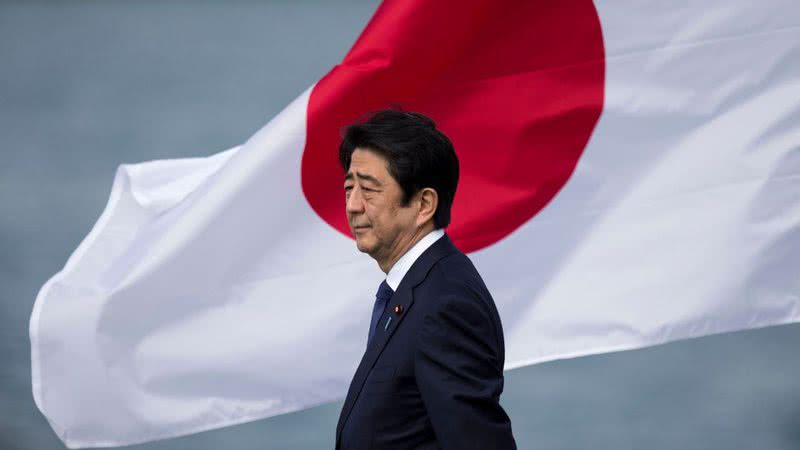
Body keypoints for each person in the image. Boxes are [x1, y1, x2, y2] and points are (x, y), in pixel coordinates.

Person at [335, 109, 516, 449]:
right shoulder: (414, 290)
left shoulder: (447, 304)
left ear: (423, 204)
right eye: (349, 187)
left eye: (369, 190)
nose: (353, 205)